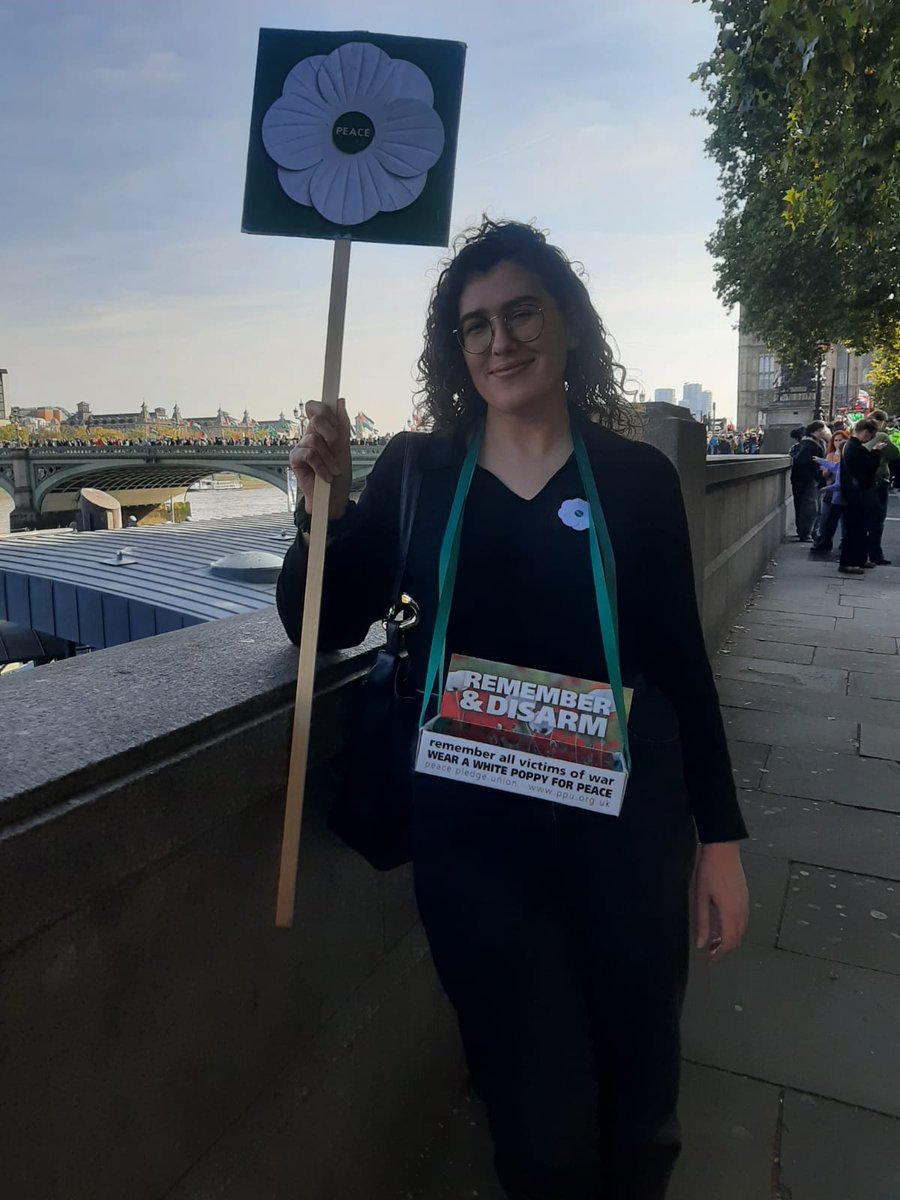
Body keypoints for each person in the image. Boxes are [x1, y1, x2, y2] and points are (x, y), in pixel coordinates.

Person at [277, 219, 749, 1200]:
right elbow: (316, 623)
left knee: (643, 1119)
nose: (501, 342)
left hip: (629, 840)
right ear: (457, 351)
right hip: (480, 855)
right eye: (476, 325)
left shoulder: (636, 481)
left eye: (522, 312)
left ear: (569, 324)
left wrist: (721, 841)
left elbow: (680, 664)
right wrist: (318, 509)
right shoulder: (417, 472)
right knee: (540, 1135)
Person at [839, 418, 880, 575]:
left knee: (859, 528)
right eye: (870, 436)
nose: (869, 439)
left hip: (853, 493)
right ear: (865, 432)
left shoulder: (851, 446)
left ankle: (859, 559)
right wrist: (875, 453)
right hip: (855, 494)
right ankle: (849, 562)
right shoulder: (854, 447)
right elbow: (867, 467)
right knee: (855, 529)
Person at [862, 410, 898, 565]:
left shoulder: (858, 436)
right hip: (879, 480)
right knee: (877, 520)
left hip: (863, 482)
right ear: (883, 422)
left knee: (861, 518)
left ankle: (860, 552)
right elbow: (895, 454)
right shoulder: (882, 436)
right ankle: (875, 553)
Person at [810, 430, 850, 555]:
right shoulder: (844, 463)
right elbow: (831, 465)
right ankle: (832, 542)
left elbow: (838, 484)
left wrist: (825, 489)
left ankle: (826, 543)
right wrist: (820, 460)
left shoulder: (843, 466)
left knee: (832, 522)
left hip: (839, 498)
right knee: (834, 521)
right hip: (841, 498)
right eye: (836, 440)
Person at [790, 421, 827, 541]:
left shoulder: (806, 444)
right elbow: (809, 464)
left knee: (801, 506)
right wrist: (819, 477)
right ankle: (806, 533)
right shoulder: (811, 446)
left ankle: (805, 531)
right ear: (813, 431)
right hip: (808, 480)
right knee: (810, 508)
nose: (823, 432)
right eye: (821, 430)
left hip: (801, 480)